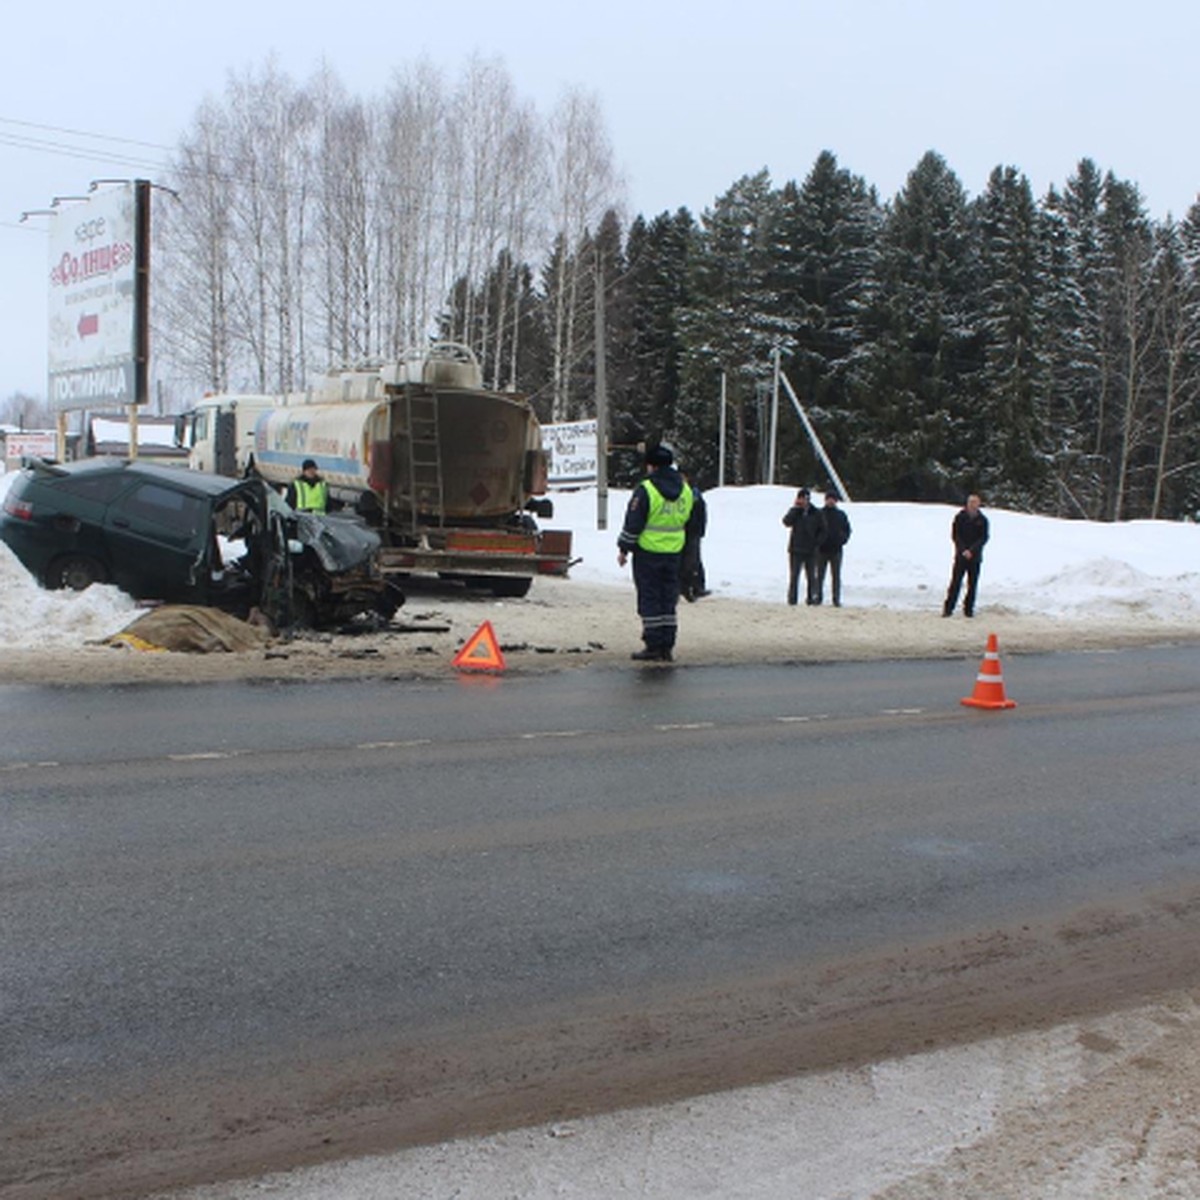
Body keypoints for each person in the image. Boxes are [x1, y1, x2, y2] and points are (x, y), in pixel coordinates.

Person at [617, 444, 695, 661]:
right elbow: (691, 521)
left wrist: (624, 548)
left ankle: (653, 645)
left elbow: (634, 522)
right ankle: (667, 646)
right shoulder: (686, 490)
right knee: (668, 599)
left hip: (648, 552)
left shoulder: (647, 489)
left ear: (651, 466)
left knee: (650, 598)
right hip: (674, 553)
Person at [943, 493, 989, 617]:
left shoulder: (982, 520)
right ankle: (948, 608)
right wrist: (963, 550)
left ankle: (968, 609)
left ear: (979, 504)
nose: (972, 504)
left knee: (972, 584)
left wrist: (972, 551)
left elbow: (983, 538)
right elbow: (955, 535)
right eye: (970, 502)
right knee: (956, 582)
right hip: (961, 555)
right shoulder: (960, 517)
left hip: (975, 557)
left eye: (975, 502)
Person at [782, 487, 825, 606]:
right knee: (794, 576)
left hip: (811, 550)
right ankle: (792, 599)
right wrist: (796, 510)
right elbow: (786, 522)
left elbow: (823, 530)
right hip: (796, 549)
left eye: (805, 499)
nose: (803, 501)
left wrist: (817, 542)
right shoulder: (795, 511)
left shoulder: (816, 513)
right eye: (801, 498)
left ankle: (811, 598)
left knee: (811, 576)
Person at [816, 489, 852, 607]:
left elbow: (847, 530)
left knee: (836, 576)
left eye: (833, 499)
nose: (830, 501)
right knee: (819, 576)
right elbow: (814, 530)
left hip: (836, 550)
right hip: (821, 550)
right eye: (828, 499)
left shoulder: (841, 515)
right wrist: (818, 541)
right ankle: (818, 597)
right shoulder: (819, 513)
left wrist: (842, 540)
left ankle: (836, 599)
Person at [680, 475, 709, 602]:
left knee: (693, 560)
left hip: (693, 532)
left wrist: (700, 530)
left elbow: (701, 513)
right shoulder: (680, 493)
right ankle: (688, 586)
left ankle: (697, 586)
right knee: (688, 561)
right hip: (683, 532)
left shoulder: (693, 494)